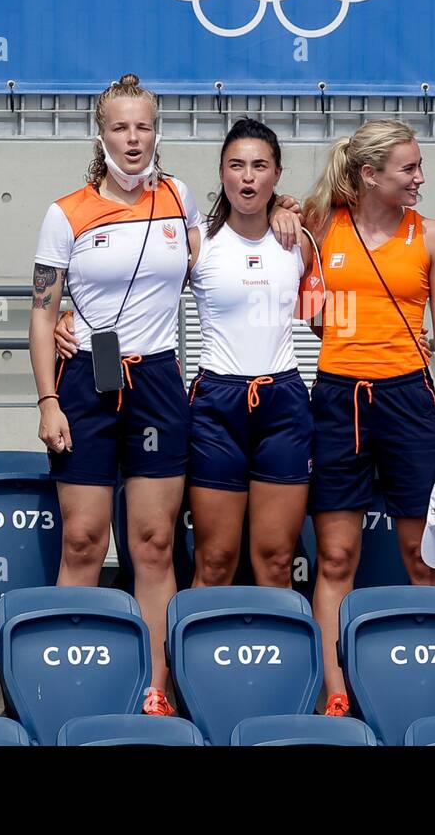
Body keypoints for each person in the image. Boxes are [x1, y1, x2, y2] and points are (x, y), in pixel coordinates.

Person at [57, 118, 314, 587]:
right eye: (236, 165)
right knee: (214, 561)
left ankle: (276, 659)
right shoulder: (201, 244)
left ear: (277, 174)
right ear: (221, 174)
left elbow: (330, 313)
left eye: (260, 166)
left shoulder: (301, 240)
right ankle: (196, 659)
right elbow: (136, 289)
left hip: (285, 401)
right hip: (217, 400)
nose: (248, 176)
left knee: (277, 561)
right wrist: (71, 318)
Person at [29, 74, 197, 717]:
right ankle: (69, 687)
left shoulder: (179, 198)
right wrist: (48, 399)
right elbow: (44, 313)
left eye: (144, 126)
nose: (133, 139)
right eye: (121, 127)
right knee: (84, 541)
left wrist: (289, 208)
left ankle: (158, 685)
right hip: (86, 385)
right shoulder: (65, 212)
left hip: (156, 380)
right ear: (101, 136)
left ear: (158, 132)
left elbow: (228, 243)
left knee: (153, 544)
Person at [301, 119, 435, 717]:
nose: (420, 177)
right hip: (338, 397)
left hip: (408, 400)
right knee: (336, 558)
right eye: (409, 168)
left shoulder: (433, 236)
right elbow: (313, 317)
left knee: (422, 556)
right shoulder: (321, 229)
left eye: (419, 167)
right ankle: (335, 689)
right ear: (370, 174)